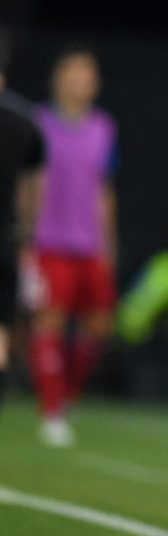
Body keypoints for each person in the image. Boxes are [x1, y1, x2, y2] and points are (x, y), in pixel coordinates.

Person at [28, 49, 117, 446]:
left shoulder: (104, 128)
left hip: (90, 246)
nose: (80, 82)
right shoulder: (38, 124)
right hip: (49, 241)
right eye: (73, 74)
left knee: (97, 327)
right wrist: (25, 236)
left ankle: (66, 396)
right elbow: (28, 185)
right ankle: (51, 411)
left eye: (87, 75)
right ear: (58, 79)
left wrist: (108, 242)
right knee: (49, 322)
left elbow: (104, 189)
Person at [0, 34, 45, 411]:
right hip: (6, 239)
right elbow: (32, 190)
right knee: (2, 329)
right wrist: (27, 234)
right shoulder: (24, 123)